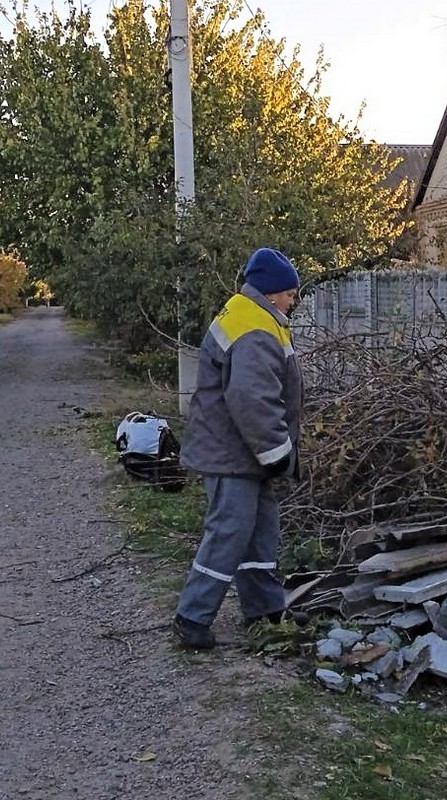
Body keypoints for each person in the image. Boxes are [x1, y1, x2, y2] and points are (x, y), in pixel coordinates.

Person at [171, 247, 305, 649]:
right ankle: (192, 618)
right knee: (229, 533)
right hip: (234, 454)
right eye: (289, 293)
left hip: (240, 452)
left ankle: (264, 609)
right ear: (271, 292)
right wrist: (279, 454)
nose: (293, 300)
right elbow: (253, 401)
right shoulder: (256, 328)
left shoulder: (251, 317)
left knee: (260, 533)